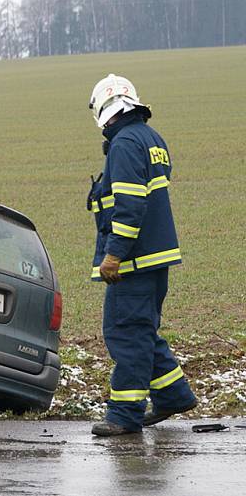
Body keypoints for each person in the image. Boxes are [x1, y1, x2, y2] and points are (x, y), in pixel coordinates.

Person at [86, 74, 197, 436]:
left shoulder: (124, 144)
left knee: (125, 333)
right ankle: (173, 394)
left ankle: (124, 414)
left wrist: (114, 254)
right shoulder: (152, 139)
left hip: (133, 261)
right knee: (142, 330)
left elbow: (130, 206)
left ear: (104, 109)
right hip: (156, 258)